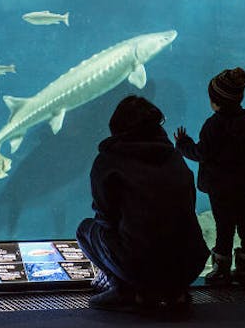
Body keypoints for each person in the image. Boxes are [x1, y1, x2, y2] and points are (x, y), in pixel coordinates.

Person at [76, 95, 209, 313]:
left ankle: (124, 289)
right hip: (190, 264)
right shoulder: (175, 157)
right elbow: (189, 206)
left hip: (140, 266)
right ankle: (175, 291)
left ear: (117, 127)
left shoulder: (108, 161)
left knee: (85, 229)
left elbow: (105, 219)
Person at [174, 67, 245, 286]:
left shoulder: (213, 125)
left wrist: (182, 144)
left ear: (215, 101)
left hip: (220, 189)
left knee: (224, 228)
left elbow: (201, 153)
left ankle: (221, 271)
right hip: (244, 187)